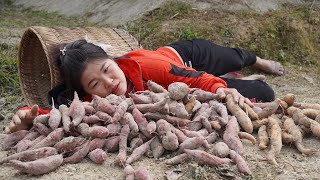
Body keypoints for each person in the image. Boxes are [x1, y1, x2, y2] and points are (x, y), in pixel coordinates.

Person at [4, 38, 284, 133]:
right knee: (261, 92)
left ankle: (256, 62)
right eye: (94, 83)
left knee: (234, 62)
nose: (110, 83)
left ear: (113, 59)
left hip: (183, 58)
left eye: (107, 70)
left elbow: (196, 79)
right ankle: (236, 79)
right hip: (184, 75)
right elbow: (61, 111)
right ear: (87, 92)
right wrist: (29, 116)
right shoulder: (93, 100)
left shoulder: (148, 67)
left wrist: (221, 89)